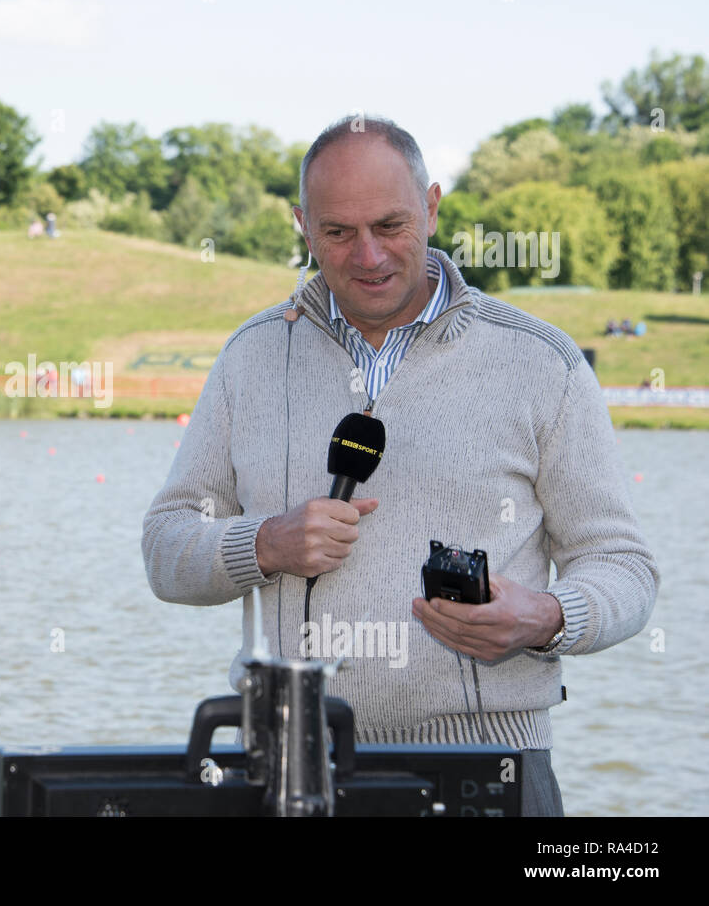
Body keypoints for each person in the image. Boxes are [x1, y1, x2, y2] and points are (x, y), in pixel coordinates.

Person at [142, 116, 658, 817]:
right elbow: (167, 545)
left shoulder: (543, 362)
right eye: (337, 232)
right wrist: (263, 543)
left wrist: (545, 614)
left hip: (489, 767)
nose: (369, 255)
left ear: (433, 206)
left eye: (391, 224)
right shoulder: (252, 356)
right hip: (286, 764)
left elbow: (623, 565)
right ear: (302, 225)